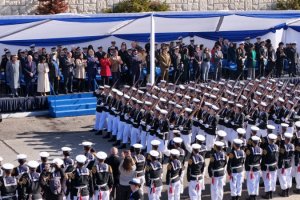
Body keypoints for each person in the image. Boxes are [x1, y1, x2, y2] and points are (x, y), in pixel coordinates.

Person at [261, 134, 279, 199]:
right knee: (273, 180)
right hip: (274, 166)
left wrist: (262, 166)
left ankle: (268, 195)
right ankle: (271, 194)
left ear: (269, 140)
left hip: (268, 167)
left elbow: (264, 158)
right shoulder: (277, 146)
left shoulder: (266, 148)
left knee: (267, 180)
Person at [245, 135, 262, 200]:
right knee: (256, 182)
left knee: (250, 182)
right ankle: (255, 196)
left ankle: (251, 196)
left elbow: (247, 160)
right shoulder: (261, 150)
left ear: (252, 142)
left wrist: (246, 168)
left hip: (251, 169)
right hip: (257, 168)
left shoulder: (249, 150)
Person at [278, 132, 294, 197]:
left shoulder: (283, 146)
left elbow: (281, 156)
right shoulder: (292, 146)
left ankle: (284, 192)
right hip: (289, 163)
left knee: (283, 177)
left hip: (283, 164)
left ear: (286, 139)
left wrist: (279, 164)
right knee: (288, 177)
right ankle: (287, 192)